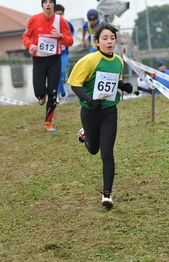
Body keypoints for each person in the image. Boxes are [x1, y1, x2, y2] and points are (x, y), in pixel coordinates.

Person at [68, 24, 133, 208]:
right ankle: (85, 134)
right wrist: (88, 100)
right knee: (93, 149)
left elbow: (111, 81)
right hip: (90, 111)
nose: (109, 41)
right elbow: (75, 84)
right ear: (97, 42)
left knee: (107, 152)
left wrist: (123, 86)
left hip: (109, 111)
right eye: (105, 38)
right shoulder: (89, 60)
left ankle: (107, 195)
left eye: (112, 38)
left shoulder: (119, 61)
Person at [23, 0, 73, 133]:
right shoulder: (34, 19)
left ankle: (48, 123)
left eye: (51, 2)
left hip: (54, 60)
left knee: (53, 91)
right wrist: (30, 45)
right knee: (39, 92)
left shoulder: (60, 21)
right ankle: (41, 96)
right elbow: (26, 36)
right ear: (42, 5)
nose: (48, 5)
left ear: (54, 5)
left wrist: (61, 36)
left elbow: (70, 41)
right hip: (39, 60)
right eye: (45, 2)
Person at [54, 4, 74, 103]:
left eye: (60, 14)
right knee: (56, 73)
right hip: (53, 53)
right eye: (56, 14)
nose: (58, 16)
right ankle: (62, 92)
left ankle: (58, 94)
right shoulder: (51, 24)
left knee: (61, 71)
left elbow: (71, 35)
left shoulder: (67, 23)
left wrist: (65, 39)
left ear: (63, 14)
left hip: (64, 53)